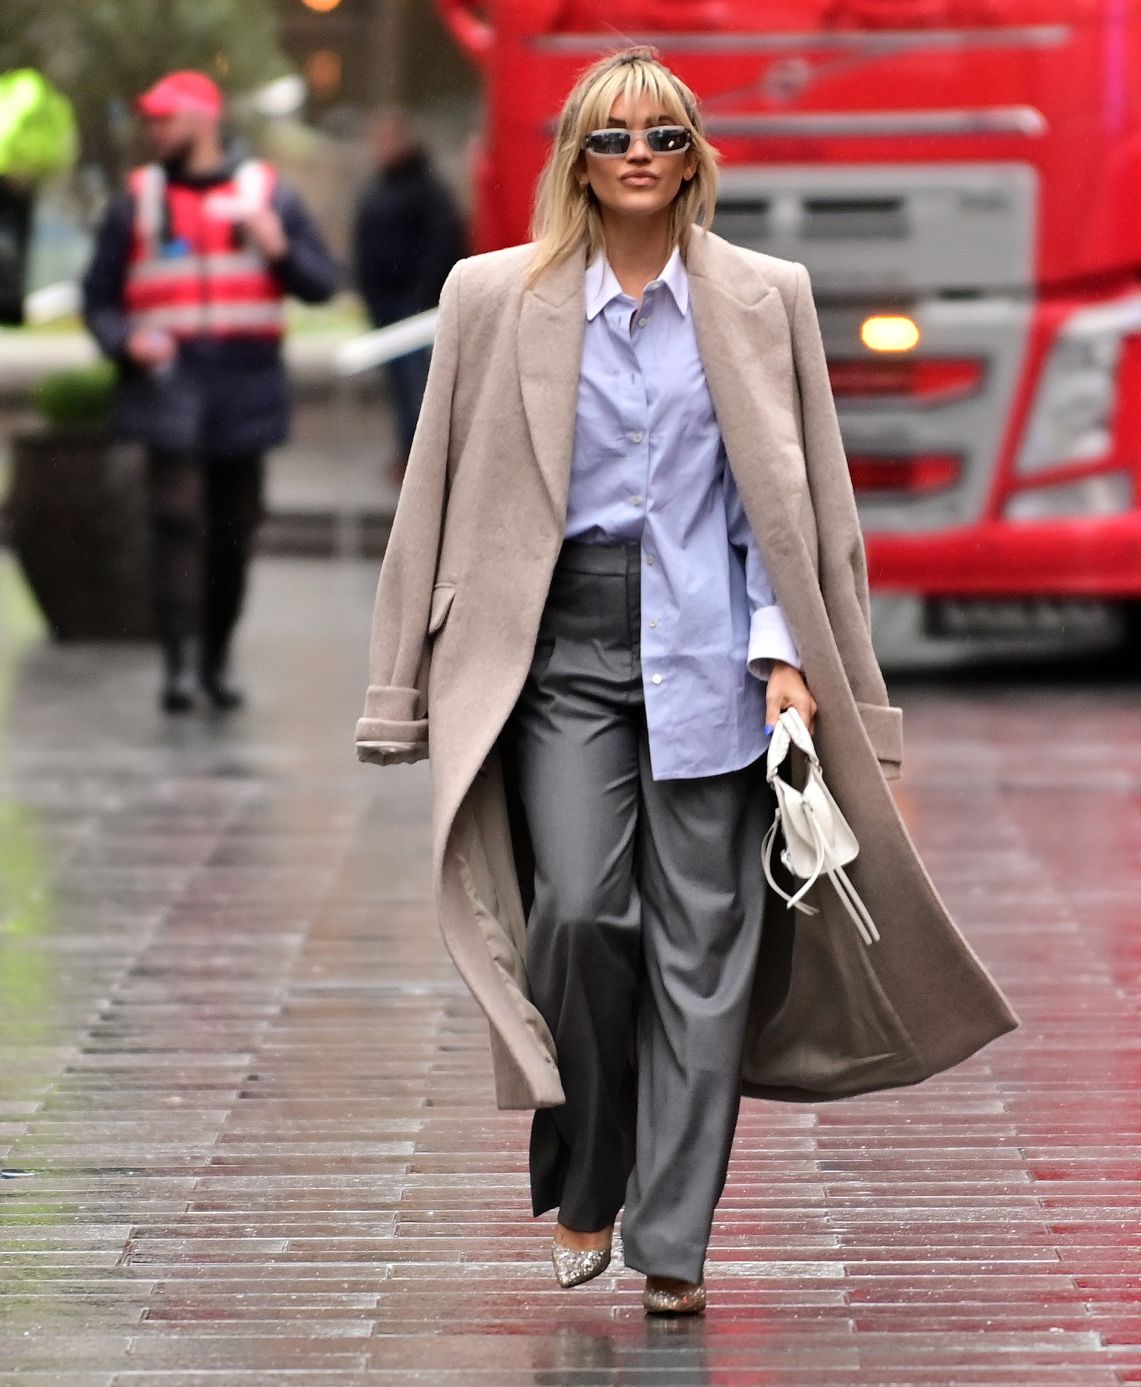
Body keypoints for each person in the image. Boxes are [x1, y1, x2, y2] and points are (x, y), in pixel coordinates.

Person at [354, 46, 1018, 1316]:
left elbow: (798, 503)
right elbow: (429, 493)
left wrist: (788, 654)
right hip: (561, 651)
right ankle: (587, 1173)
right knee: (582, 916)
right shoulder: (493, 297)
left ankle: (672, 1238)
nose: (639, 154)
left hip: (715, 646)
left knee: (703, 950)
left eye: (663, 133)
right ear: (576, 159)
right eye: (612, 137)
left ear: (695, 152)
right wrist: (400, 687)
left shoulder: (766, 297)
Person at [82, 70, 338, 713]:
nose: (153, 130)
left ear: (203, 121)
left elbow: (322, 282)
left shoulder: (267, 195)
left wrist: (278, 249)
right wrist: (124, 342)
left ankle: (216, 656)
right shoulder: (137, 198)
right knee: (176, 522)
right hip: (167, 387)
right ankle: (180, 664)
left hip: (244, 386)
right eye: (150, 120)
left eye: (165, 119)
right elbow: (99, 298)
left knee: (233, 530)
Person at [353, 109, 464, 484]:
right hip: (384, 301)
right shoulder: (379, 187)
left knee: (418, 388)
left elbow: (442, 243)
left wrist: (423, 293)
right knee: (401, 389)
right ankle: (409, 454)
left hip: (413, 306)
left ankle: (423, 463)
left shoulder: (425, 188)